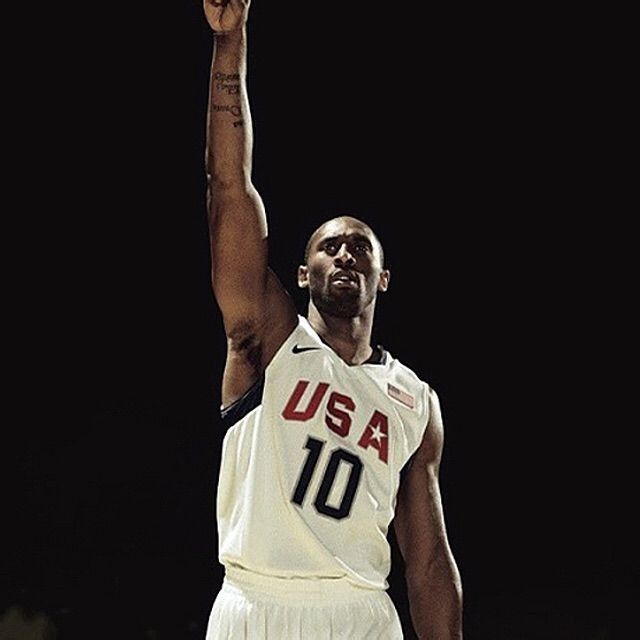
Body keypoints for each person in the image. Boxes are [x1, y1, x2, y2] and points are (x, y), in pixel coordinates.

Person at [202, 1, 463, 638]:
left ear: (384, 277)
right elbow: (229, 187)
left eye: (361, 248)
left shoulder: (415, 402)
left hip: (359, 612)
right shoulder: (266, 339)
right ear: (302, 273)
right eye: (329, 246)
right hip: (256, 601)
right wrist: (231, 41)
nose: (345, 254)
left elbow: (428, 560)